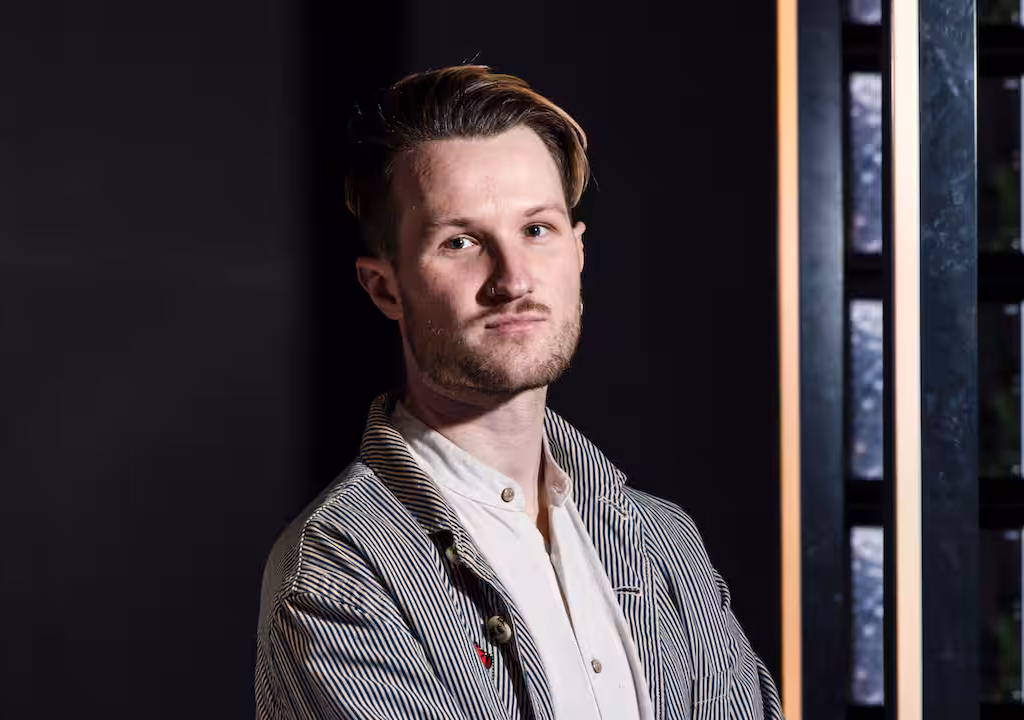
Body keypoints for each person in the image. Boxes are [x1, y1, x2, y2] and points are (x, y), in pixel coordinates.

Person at [254, 65, 784, 720]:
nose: (513, 279)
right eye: (461, 242)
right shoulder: (341, 568)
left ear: (578, 252)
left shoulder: (662, 540)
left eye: (537, 230)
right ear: (384, 287)